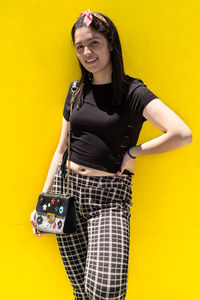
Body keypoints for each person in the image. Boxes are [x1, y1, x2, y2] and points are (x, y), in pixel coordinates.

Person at [30, 9, 192, 300]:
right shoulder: (76, 90)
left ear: (111, 44)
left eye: (94, 43)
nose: (86, 52)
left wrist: (134, 151)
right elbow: (61, 149)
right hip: (66, 194)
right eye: (79, 46)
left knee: (106, 291)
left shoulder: (132, 91)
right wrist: (43, 202)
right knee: (81, 291)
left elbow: (182, 133)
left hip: (108, 201)